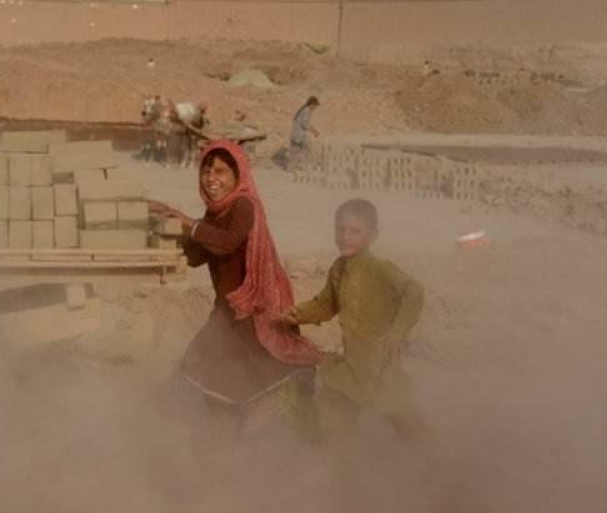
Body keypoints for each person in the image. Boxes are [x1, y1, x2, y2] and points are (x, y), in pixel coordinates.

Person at [149, 140, 321, 436]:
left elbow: (227, 241)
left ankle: (255, 433)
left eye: (221, 172)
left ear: (237, 174)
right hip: (227, 311)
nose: (211, 178)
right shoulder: (214, 213)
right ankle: (232, 437)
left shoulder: (244, 205)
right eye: (206, 170)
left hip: (252, 310)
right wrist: (162, 232)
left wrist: (187, 223)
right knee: (204, 373)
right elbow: (198, 255)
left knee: (256, 374)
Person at [282, 198, 426, 443]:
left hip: (380, 365)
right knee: (336, 408)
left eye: (355, 231)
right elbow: (326, 304)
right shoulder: (338, 269)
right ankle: (344, 462)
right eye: (340, 229)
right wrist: (298, 313)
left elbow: (415, 291)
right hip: (353, 362)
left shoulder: (380, 268)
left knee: (404, 420)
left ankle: (435, 459)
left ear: (373, 235)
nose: (345, 237)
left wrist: (398, 332)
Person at [288, 96, 320, 172]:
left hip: (294, 134)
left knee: (294, 152)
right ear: (312, 104)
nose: (315, 108)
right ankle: (306, 166)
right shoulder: (306, 111)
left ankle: (290, 168)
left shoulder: (302, 110)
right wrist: (314, 131)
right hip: (300, 135)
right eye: (315, 106)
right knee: (308, 148)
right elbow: (304, 124)